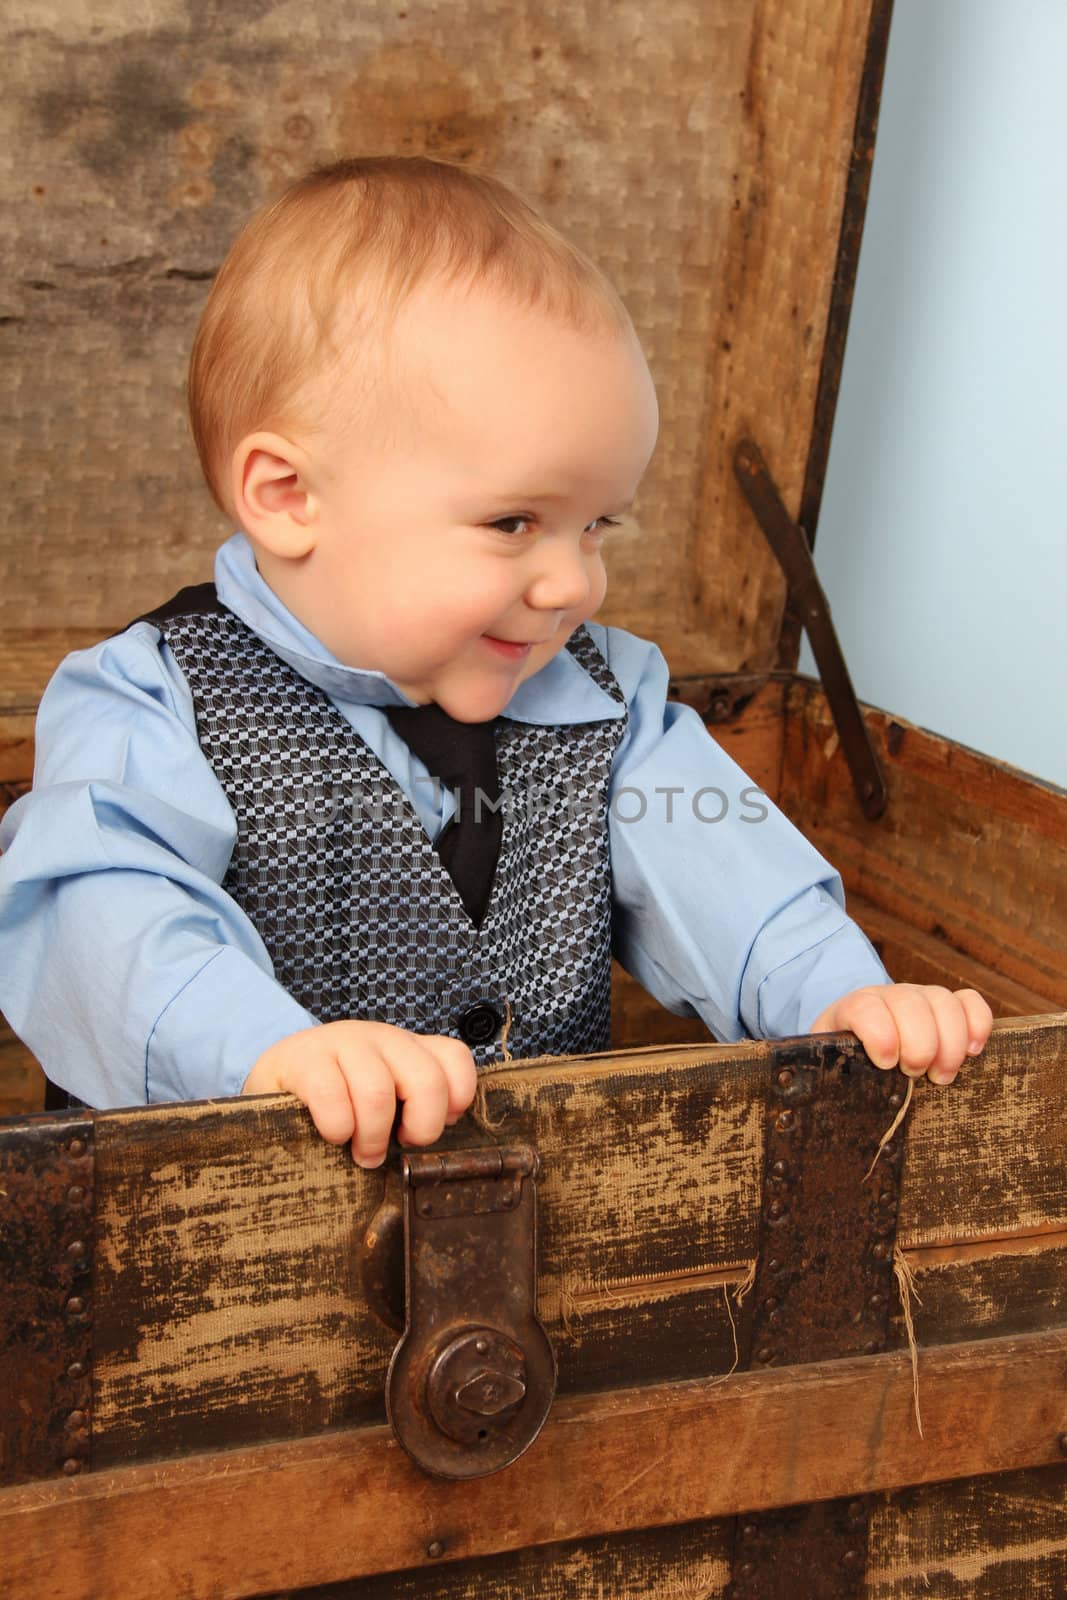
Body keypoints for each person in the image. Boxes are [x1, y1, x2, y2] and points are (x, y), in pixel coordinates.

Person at [0, 157, 992, 1164]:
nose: (572, 583)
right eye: (513, 520)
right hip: (214, 1245)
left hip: (555, 1228)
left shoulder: (611, 703)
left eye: (597, 524)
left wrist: (835, 990)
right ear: (289, 497)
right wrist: (265, 1050)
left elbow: (729, 874)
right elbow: (102, 912)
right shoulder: (150, 699)